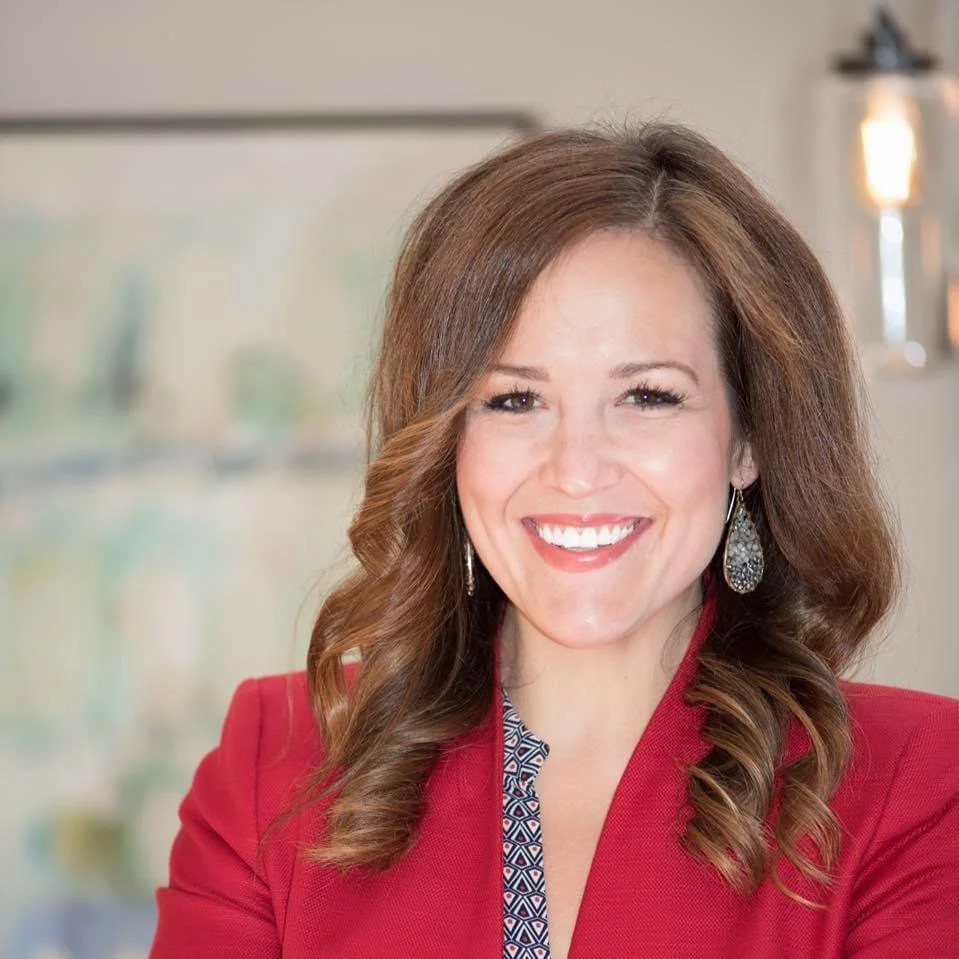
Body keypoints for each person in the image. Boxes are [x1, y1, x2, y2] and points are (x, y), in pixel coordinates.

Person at [150, 122, 959, 959]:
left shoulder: (915, 784)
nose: (576, 470)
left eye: (647, 396)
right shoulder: (276, 765)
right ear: (446, 443)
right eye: (513, 400)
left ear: (747, 439)